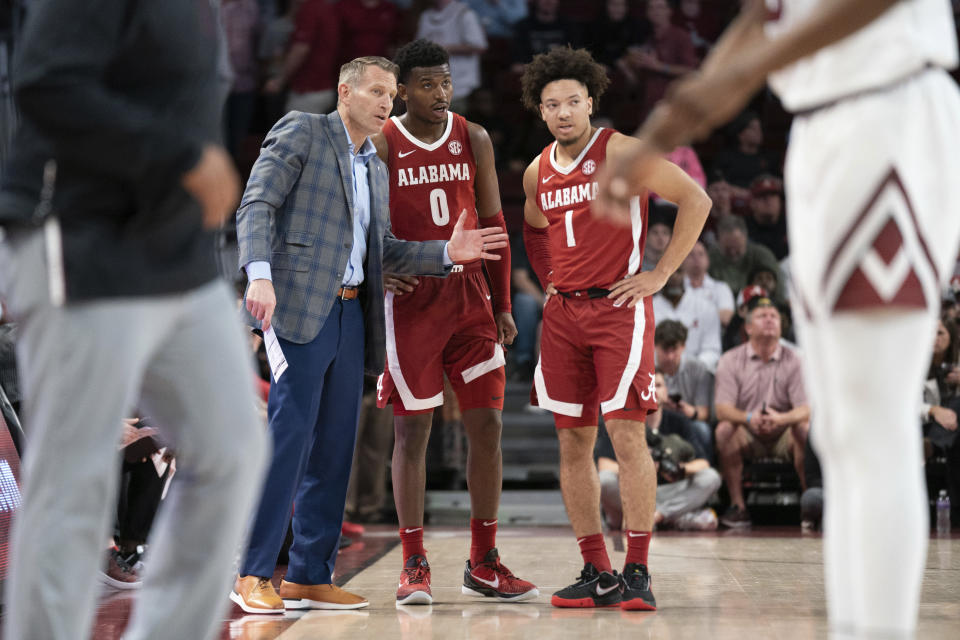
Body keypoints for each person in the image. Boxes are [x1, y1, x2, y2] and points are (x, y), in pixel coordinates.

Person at [594, 1, 960, 622]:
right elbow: (767, 16)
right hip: (822, 129)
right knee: (843, 433)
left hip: (887, 108)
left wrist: (729, 84)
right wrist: (663, 129)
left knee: (876, 424)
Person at [0, 2, 269, 639]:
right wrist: (178, 156)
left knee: (231, 446)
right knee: (74, 477)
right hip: (82, 237)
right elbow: (47, 84)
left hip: (174, 255)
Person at [232, 55, 508, 614]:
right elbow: (256, 202)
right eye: (377, 91)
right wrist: (259, 275)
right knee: (291, 438)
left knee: (336, 447)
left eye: (389, 93)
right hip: (298, 307)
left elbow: (387, 250)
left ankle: (310, 574)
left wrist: (446, 254)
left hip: (352, 313)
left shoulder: (374, 165)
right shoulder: (302, 130)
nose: (386, 102)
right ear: (344, 93)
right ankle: (253, 572)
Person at [519, 47, 711, 611]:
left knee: (627, 436)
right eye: (551, 104)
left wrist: (660, 273)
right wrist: (550, 276)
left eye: (572, 102)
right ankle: (596, 570)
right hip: (563, 317)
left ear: (590, 102)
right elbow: (533, 229)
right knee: (572, 442)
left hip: (619, 309)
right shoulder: (536, 171)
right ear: (540, 110)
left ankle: (638, 570)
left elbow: (694, 199)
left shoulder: (622, 151)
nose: (562, 112)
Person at [371, 39, 537, 605]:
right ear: (402, 89)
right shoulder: (383, 141)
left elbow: (494, 225)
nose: (440, 94)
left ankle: (484, 560)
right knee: (412, 430)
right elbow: (366, 226)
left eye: (445, 82)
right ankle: (414, 561)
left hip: (469, 299)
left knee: (487, 426)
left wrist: (504, 305)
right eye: (427, 84)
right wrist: (379, 272)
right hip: (413, 298)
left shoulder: (474, 136)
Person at [713, 296, 810, 528]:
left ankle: (811, 506)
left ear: (781, 326)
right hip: (748, 431)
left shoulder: (796, 359)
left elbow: (806, 408)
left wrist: (781, 419)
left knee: (804, 428)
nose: (769, 320)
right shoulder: (730, 360)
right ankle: (738, 506)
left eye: (774, 316)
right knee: (724, 429)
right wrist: (748, 418)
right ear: (747, 327)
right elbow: (722, 409)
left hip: (783, 432)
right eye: (762, 316)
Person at [597, 373, 721, 532]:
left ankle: (657, 516)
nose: (653, 390)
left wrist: (679, 469)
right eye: (648, 386)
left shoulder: (679, 422)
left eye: (658, 385)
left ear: (666, 391)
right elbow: (604, 465)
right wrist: (641, 468)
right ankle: (677, 517)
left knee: (711, 477)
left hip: (670, 492)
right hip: (634, 493)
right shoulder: (622, 422)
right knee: (604, 480)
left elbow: (703, 463)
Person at [654, 319, 714, 458]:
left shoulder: (698, 368)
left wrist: (687, 410)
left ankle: (705, 466)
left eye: (674, 350)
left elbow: (704, 413)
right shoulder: (646, 369)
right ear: (655, 346)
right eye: (665, 350)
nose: (670, 357)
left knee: (702, 429)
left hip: (686, 420)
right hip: (655, 420)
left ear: (683, 346)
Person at [414, 0, 488, 114]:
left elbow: (479, 46)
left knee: (450, 119)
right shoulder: (426, 15)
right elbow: (418, 45)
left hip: (458, 79)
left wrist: (447, 48)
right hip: (431, 77)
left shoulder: (464, 14)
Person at [651, 269, 722, 371]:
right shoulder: (647, 308)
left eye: (678, 271)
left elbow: (712, 350)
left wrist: (688, 368)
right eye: (669, 272)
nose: (674, 277)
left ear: (685, 273)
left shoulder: (706, 307)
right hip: (656, 373)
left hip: (695, 374)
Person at [683, 239, 735, 328]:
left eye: (701, 254)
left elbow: (725, 317)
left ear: (708, 260)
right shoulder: (675, 287)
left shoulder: (721, 288)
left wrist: (687, 316)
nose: (696, 258)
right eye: (691, 254)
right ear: (681, 261)